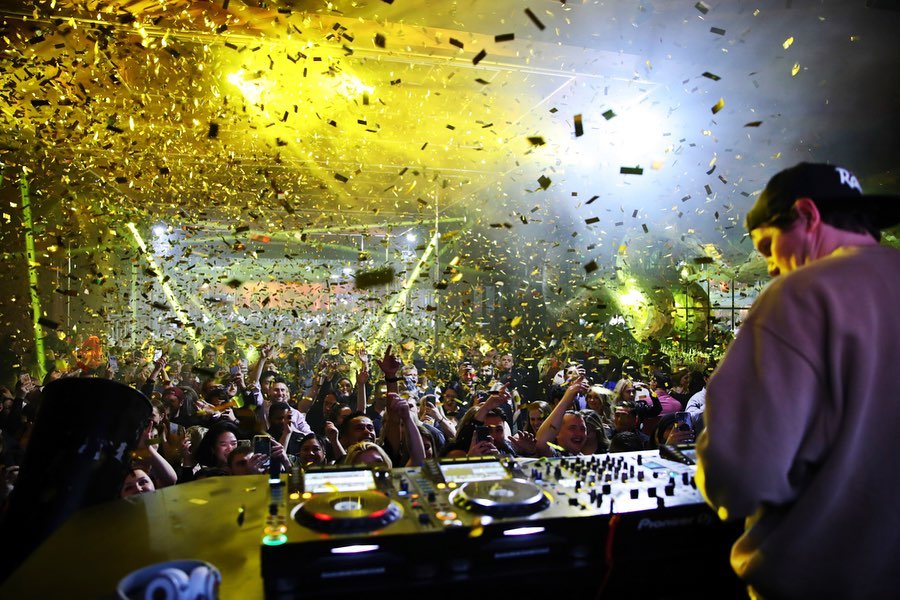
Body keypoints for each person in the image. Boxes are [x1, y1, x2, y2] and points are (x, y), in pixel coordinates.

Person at [696, 162, 900, 599]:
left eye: (767, 246)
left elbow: (739, 479)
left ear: (807, 215)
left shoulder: (802, 294)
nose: (770, 267)